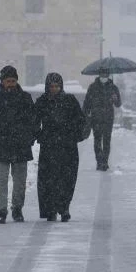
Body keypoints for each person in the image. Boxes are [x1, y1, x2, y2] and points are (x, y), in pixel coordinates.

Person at [0, 65, 37, 224]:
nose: (11, 84)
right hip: (1, 146)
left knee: (20, 181)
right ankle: (1, 210)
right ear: (2, 81)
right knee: (1, 180)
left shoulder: (25, 98)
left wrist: (29, 138)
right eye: (8, 81)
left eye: (13, 81)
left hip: (21, 145)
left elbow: (33, 120)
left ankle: (17, 209)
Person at [34, 72, 87, 222]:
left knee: (67, 178)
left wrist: (75, 135)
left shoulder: (70, 100)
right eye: (51, 86)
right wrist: (39, 135)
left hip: (67, 145)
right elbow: (34, 121)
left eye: (57, 86)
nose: (54, 89)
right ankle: (50, 209)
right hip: (49, 146)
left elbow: (80, 120)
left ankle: (64, 207)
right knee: (48, 179)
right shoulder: (42, 102)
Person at [82, 69, 121, 170]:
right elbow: (86, 103)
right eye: (102, 74)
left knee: (107, 141)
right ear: (99, 75)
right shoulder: (93, 87)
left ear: (108, 75)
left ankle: (105, 162)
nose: (104, 77)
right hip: (96, 118)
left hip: (108, 118)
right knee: (97, 140)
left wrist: (115, 98)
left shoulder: (113, 88)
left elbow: (118, 104)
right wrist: (84, 115)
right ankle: (99, 162)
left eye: (106, 75)